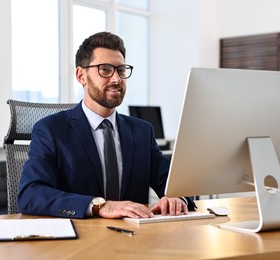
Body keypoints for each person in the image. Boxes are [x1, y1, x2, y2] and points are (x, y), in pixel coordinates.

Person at [18, 31, 195, 219]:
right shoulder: (51, 130)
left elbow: (175, 184)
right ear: (81, 76)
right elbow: (31, 195)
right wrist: (99, 206)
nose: (116, 79)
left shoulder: (142, 131)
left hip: (136, 240)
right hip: (78, 240)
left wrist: (177, 198)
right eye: (105, 69)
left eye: (121, 70)